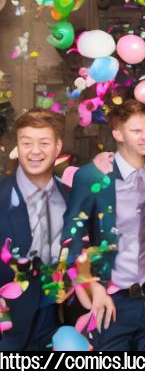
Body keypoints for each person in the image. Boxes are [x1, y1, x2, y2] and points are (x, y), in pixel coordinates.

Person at [63, 100, 145, 350]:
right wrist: (92, 286)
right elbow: (72, 236)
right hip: (112, 301)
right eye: (136, 131)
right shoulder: (94, 176)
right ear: (117, 134)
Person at [0, 110, 69, 350]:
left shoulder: (69, 197)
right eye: (26, 143)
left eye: (44, 143)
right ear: (18, 147)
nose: (35, 151)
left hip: (53, 317)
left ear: (57, 146)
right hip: (7, 323)